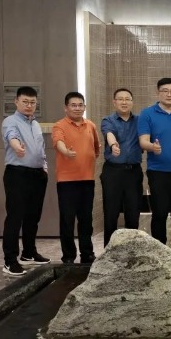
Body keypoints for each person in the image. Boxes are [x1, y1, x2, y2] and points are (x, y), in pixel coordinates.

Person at [138, 78, 171, 257]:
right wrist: (152, 147)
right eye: (165, 90)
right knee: (159, 213)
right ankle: (160, 254)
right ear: (158, 92)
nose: (169, 94)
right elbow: (143, 141)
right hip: (158, 172)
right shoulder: (147, 114)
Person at [0, 86, 50, 276]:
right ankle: (10, 260)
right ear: (16, 102)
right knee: (15, 217)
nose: (29, 105)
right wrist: (17, 147)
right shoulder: (10, 121)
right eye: (25, 102)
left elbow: (41, 149)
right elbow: (11, 136)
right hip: (17, 174)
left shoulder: (35, 124)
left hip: (37, 175)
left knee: (32, 217)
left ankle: (28, 253)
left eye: (32, 102)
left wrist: (44, 167)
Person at [52, 92, 100, 264]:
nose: (77, 108)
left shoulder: (91, 125)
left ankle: (87, 254)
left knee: (86, 219)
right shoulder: (59, 125)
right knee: (67, 219)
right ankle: (68, 256)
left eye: (80, 105)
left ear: (84, 107)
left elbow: (96, 148)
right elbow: (58, 142)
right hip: (66, 182)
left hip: (87, 180)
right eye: (73, 105)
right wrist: (66, 152)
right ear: (66, 108)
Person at [100, 88, 143, 247]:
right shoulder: (108, 120)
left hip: (134, 172)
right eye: (120, 99)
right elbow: (109, 134)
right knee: (111, 214)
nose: (124, 102)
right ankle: (109, 252)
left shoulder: (140, 121)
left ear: (132, 102)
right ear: (114, 102)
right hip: (113, 172)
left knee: (133, 214)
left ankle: (131, 251)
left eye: (127, 99)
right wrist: (113, 145)